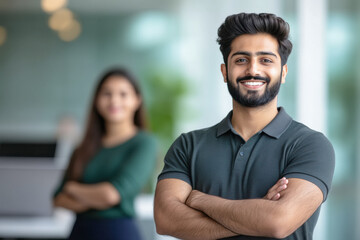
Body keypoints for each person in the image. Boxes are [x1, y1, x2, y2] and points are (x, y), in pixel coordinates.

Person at [154, 12, 335, 240]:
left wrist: (201, 200)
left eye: (266, 60)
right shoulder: (188, 146)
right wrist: (259, 213)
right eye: (241, 60)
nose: (253, 70)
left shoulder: (311, 145)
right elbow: (166, 219)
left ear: (283, 72)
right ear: (224, 71)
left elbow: (278, 222)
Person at [53, 68, 157, 240]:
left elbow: (112, 194)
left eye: (123, 94)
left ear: (137, 100)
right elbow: (58, 198)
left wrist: (73, 188)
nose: (114, 100)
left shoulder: (144, 143)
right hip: (79, 232)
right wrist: (96, 199)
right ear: (96, 100)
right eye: (106, 93)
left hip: (118, 232)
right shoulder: (84, 146)